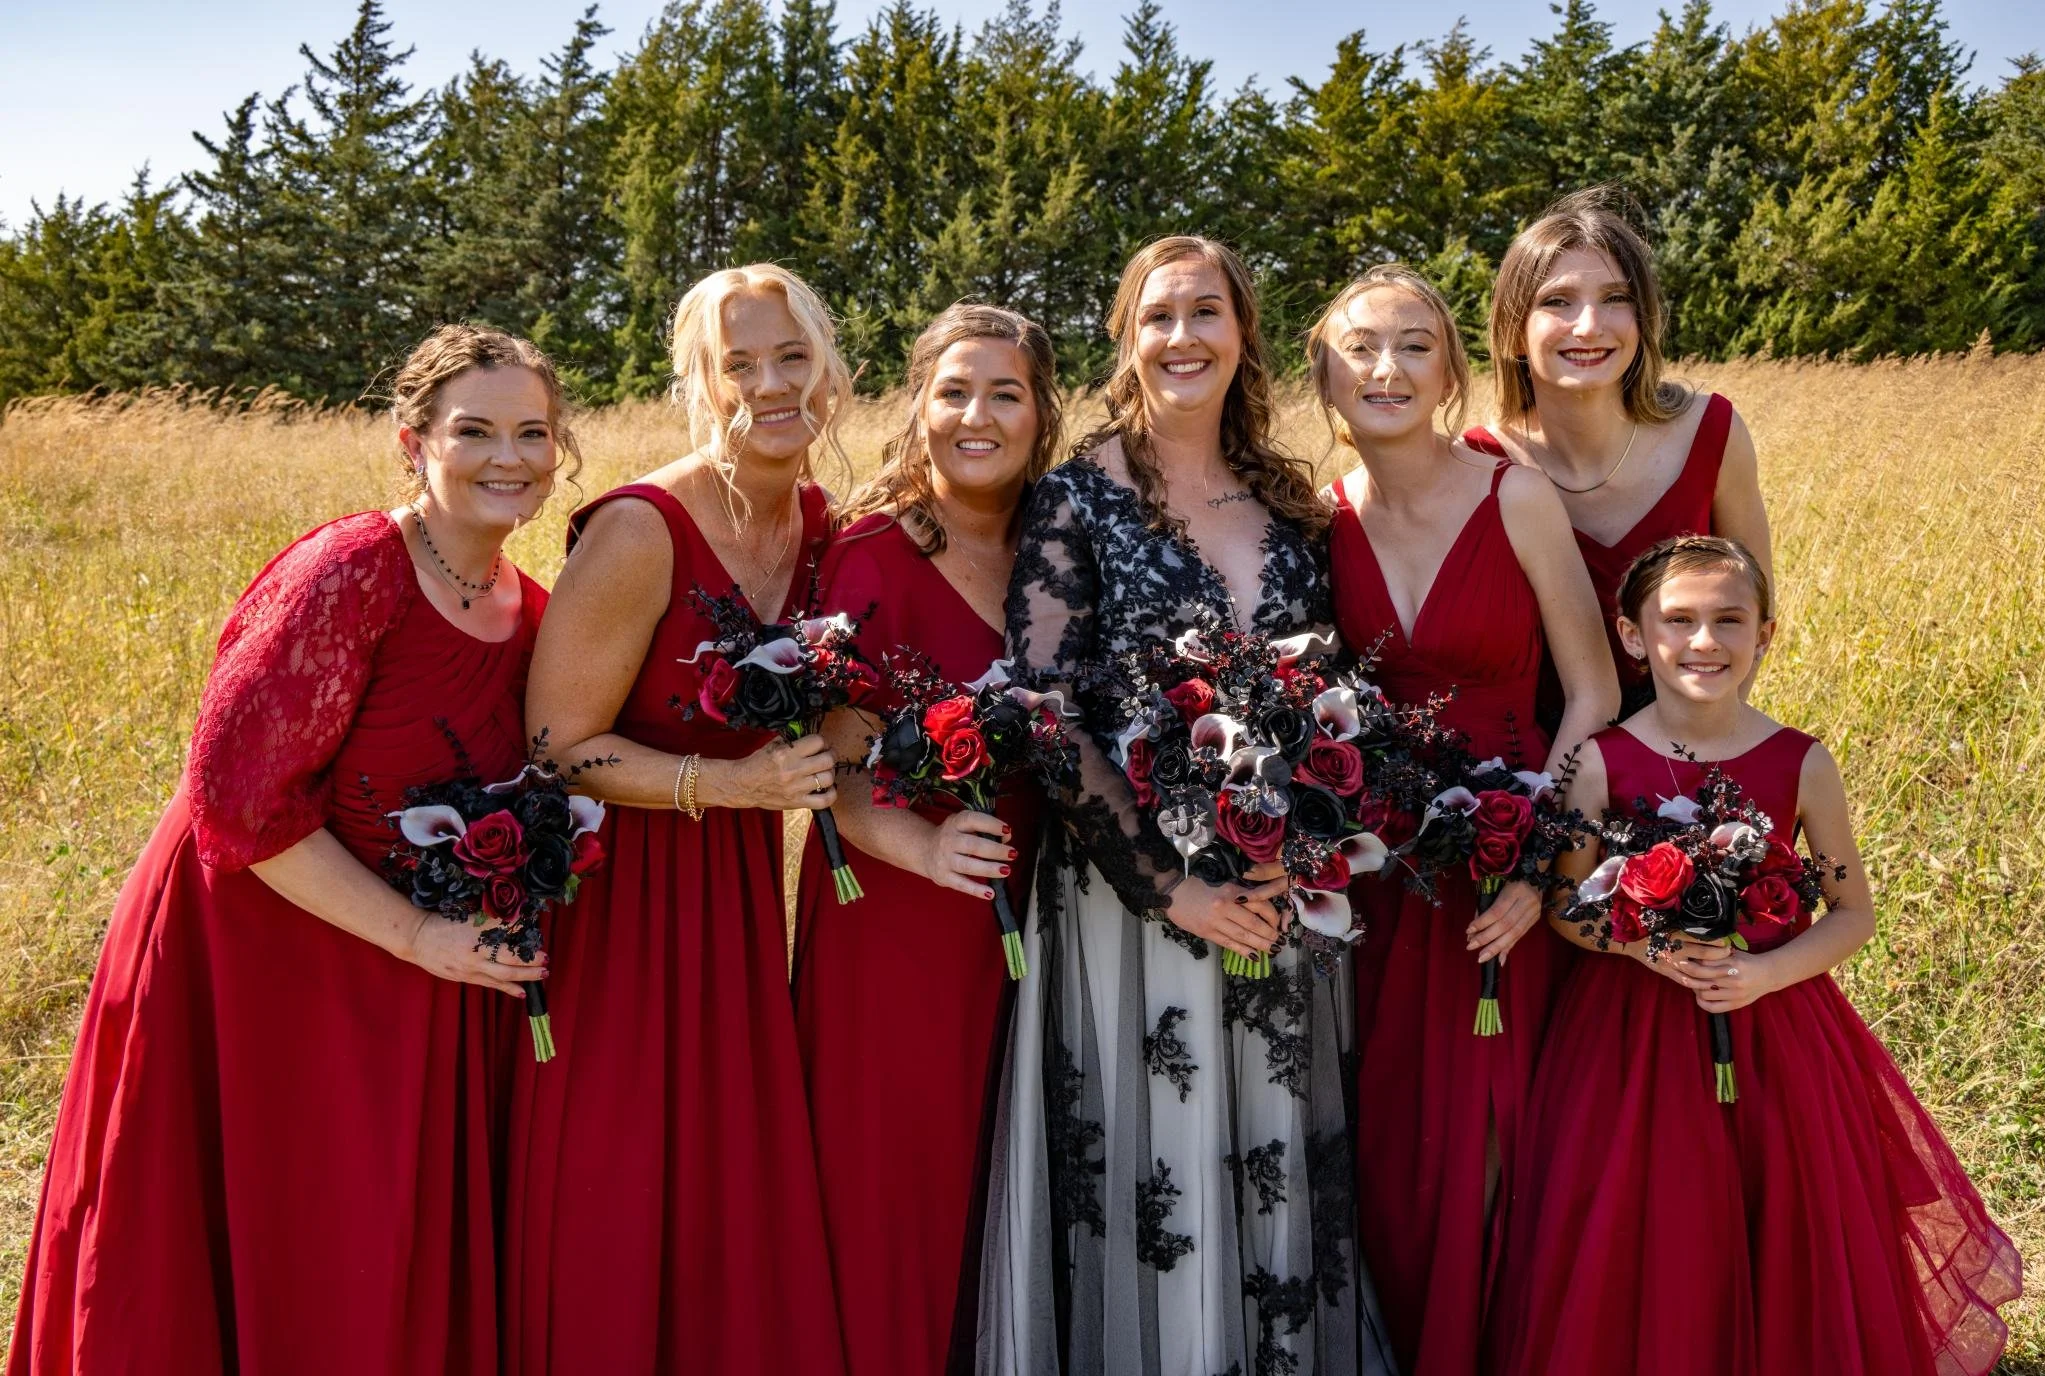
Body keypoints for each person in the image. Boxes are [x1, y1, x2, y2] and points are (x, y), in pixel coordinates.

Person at [8, 325, 570, 1375]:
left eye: (534, 430)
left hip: (398, 962)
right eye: (475, 430)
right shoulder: (353, 569)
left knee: (353, 1243)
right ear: (412, 442)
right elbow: (232, 802)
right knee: (238, 1226)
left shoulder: (530, 608)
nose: (511, 455)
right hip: (252, 941)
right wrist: (417, 934)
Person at [975, 236, 1391, 1375]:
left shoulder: (1291, 500)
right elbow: (1047, 707)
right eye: (1158, 315)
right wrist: (1175, 886)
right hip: (1134, 902)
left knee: (1273, 1168)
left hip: (1280, 893)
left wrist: (1297, 838)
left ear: (1244, 332)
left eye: (1207, 311)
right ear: (1127, 335)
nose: (1183, 336)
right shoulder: (1076, 498)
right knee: (1160, 1183)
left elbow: (1338, 686)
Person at [1492, 535, 2022, 1376]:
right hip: (1632, 1042)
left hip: (1779, 1031)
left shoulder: (1800, 761)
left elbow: (1852, 914)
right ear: (1634, 637)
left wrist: (1767, 972)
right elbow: (1565, 906)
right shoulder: (1602, 763)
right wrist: (1639, 945)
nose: (1704, 642)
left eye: (1729, 621)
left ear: (1765, 635)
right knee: (1656, 1220)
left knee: (1786, 1219)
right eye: (1679, 621)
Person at [506, 264, 849, 1373]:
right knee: (616, 1173)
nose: (770, 384)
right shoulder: (641, 531)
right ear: (699, 384)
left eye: (790, 356)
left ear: (830, 369)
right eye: (737, 364)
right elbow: (556, 746)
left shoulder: (823, 522)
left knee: (721, 1178)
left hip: (739, 897)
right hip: (624, 898)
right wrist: (726, 787)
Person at [1312, 264, 1616, 1376]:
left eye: (1411, 344)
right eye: (1359, 347)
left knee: (1499, 1134)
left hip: (1507, 858)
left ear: (1449, 368)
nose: (1384, 368)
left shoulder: (1515, 496)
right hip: (1382, 869)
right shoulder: (1320, 517)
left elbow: (1590, 693)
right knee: (1394, 1142)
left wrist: (1543, 857)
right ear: (1324, 375)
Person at [792, 303, 1063, 1376]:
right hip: (903, 915)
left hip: (1041, 900)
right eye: (953, 390)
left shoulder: (1060, 543)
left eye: (1006, 392)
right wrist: (925, 850)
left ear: (1042, 413)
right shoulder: (870, 553)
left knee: (1019, 1172)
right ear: (919, 404)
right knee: (901, 1183)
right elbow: (836, 773)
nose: (977, 415)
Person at [1473, 187, 1773, 719]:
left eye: (1616, 299)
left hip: (1689, 751)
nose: (1590, 326)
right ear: (1513, 331)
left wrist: (1691, 751)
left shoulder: (1712, 432)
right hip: (1543, 766)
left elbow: (1752, 614)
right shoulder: (1477, 464)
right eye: (1556, 301)